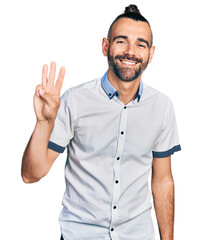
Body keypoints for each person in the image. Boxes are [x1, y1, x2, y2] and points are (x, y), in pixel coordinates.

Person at [22, 4, 181, 240]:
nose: (130, 51)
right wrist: (44, 123)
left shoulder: (162, 107)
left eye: (140, 44)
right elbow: (31, 174)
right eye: (121, 41)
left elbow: (163, 180)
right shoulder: (74, 101)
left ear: (151, 53)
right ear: (105, 46)